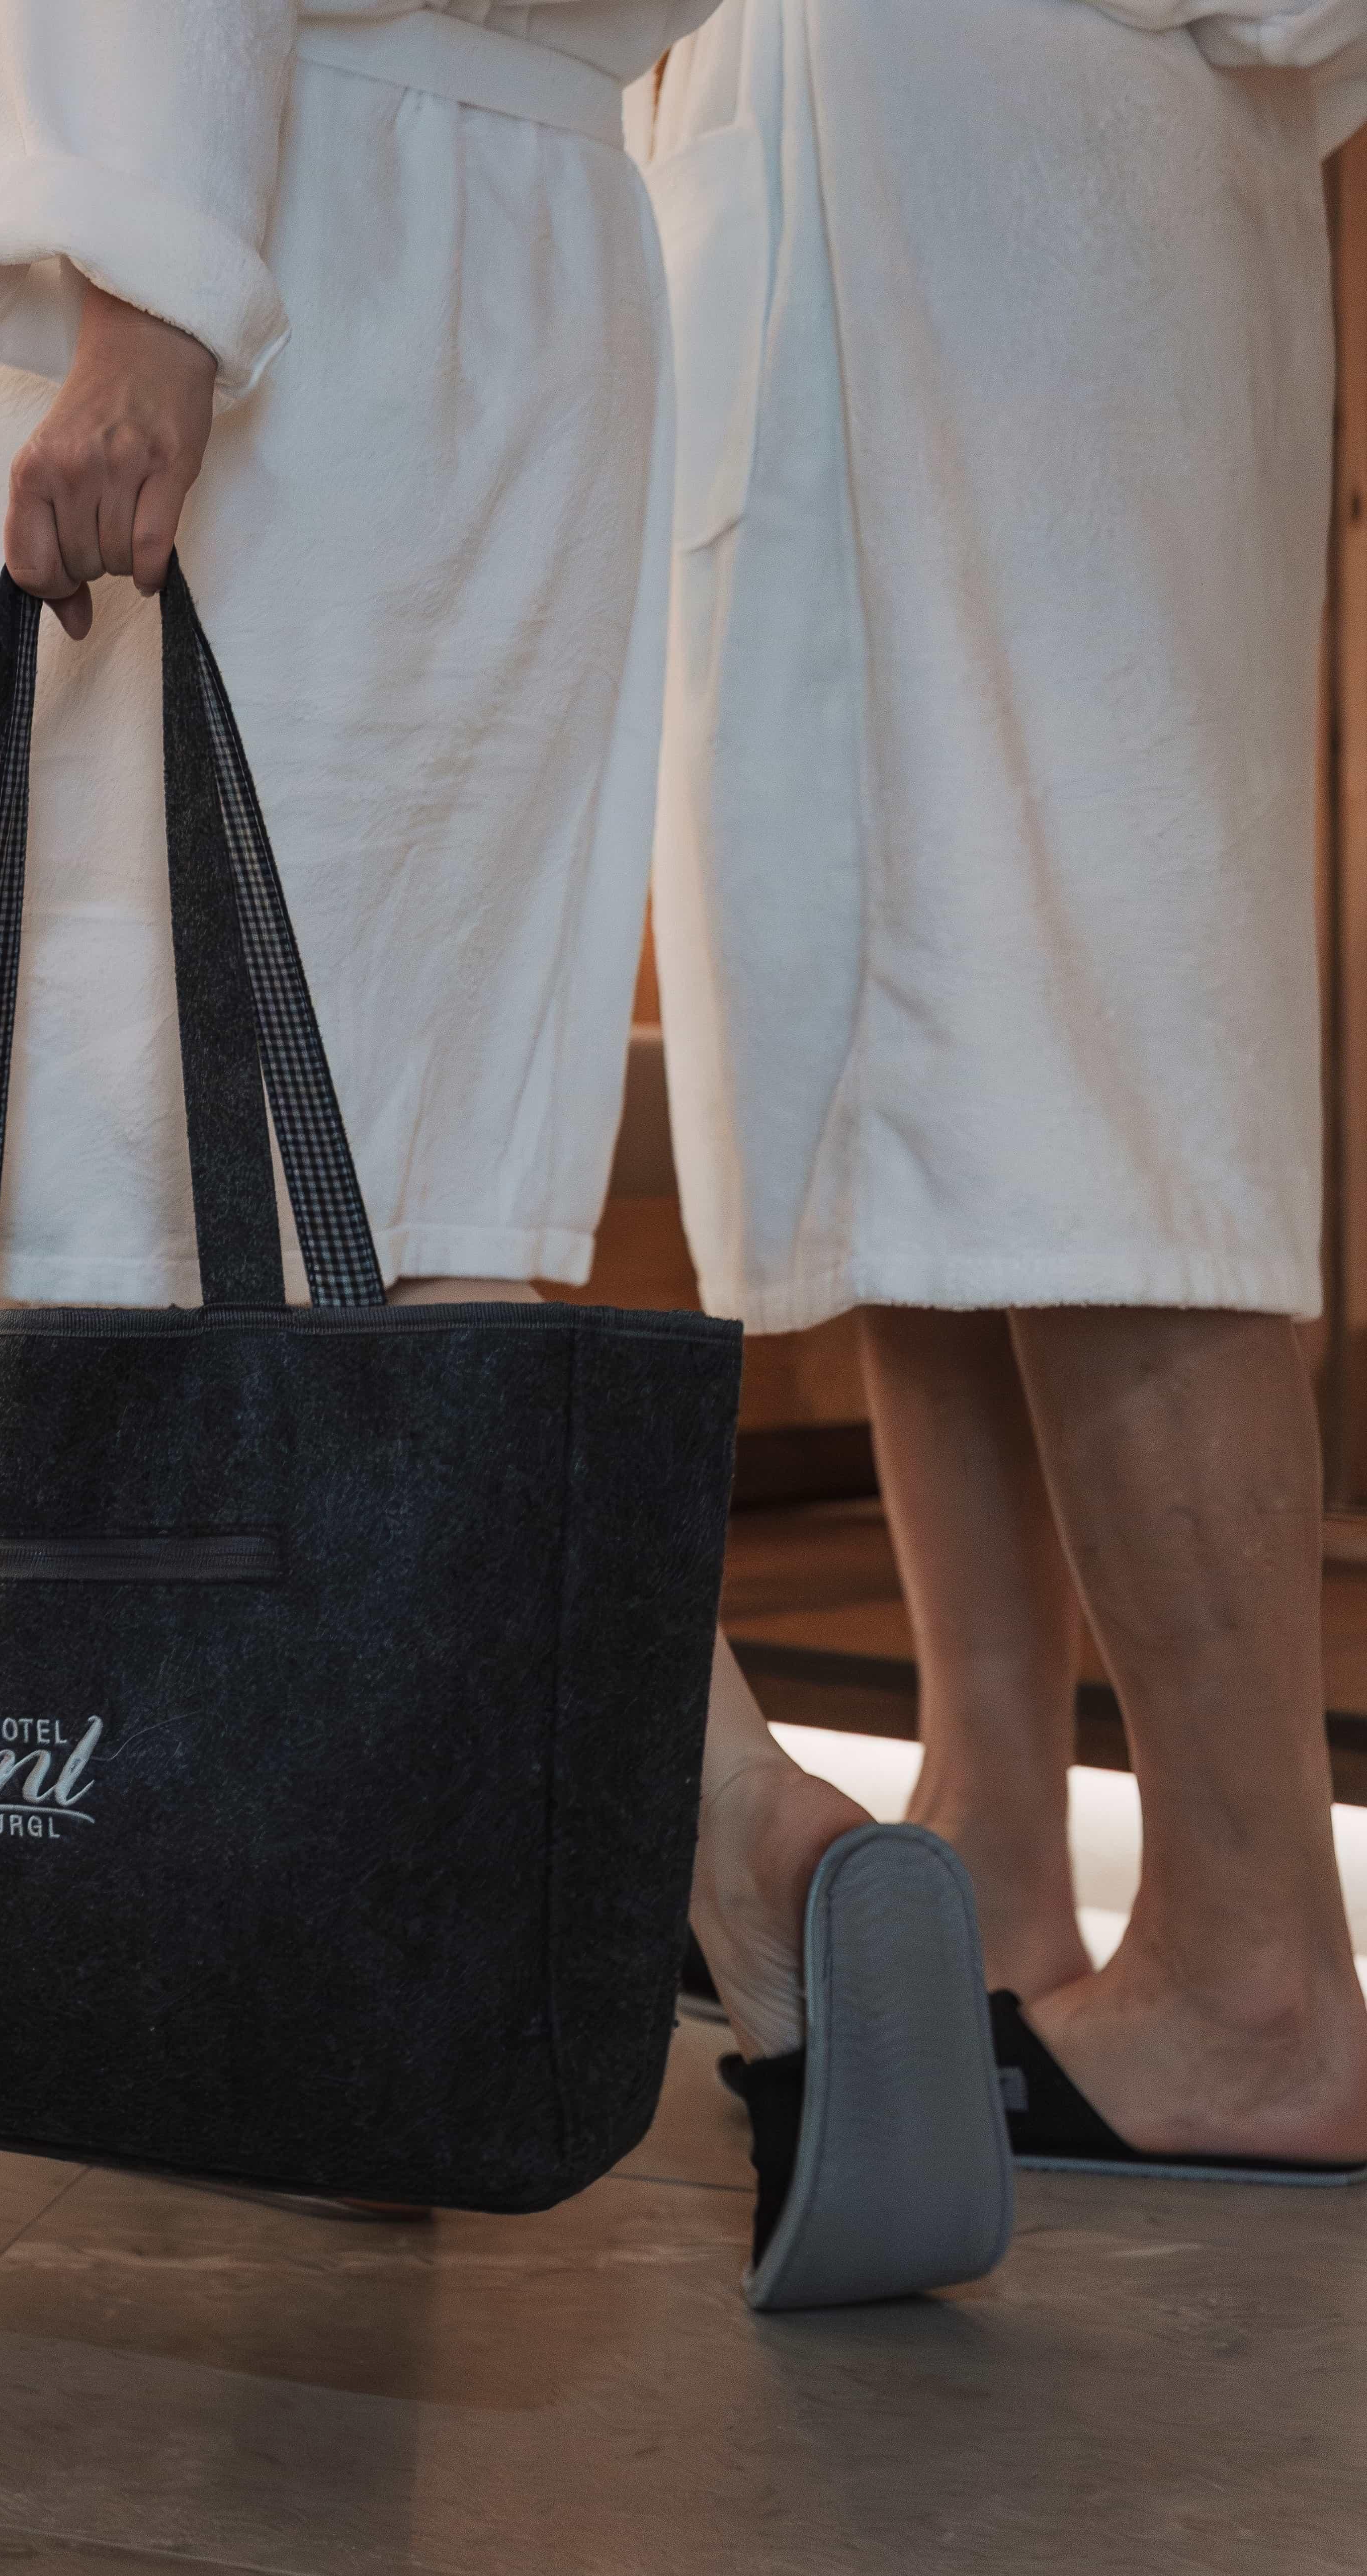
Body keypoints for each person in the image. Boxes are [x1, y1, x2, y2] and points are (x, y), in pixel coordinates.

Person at [0, 0, 1009, 2297]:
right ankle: (692, 1856)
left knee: (113, 1148)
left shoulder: (196, 286)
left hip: (269, 238)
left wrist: (145, 304)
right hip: (550, 241)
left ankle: (622, 1874)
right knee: (387, 1191)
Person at [650, 0, 1367, 2178]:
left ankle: (1255, 1963)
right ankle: (990, 1839)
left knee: (1083, 1012)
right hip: (823, 149)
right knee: (910, 1046)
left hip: (1028, 165)